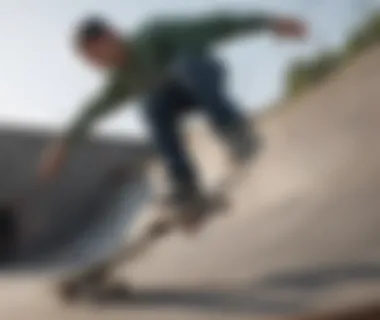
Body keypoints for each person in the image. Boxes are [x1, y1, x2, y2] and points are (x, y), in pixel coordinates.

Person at [38, 11, 307, 207]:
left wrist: (270, 23)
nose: (96, 65)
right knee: (150, 105)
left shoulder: (155, 34)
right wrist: (63, 144)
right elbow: (92, 110)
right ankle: (185, 184)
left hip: (204, 76)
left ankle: (236, 132)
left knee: (184, 66)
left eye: (95, 56)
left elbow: (215, 25)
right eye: (90, 62)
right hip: (178, 99)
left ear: (110, 37)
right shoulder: (121, 80)